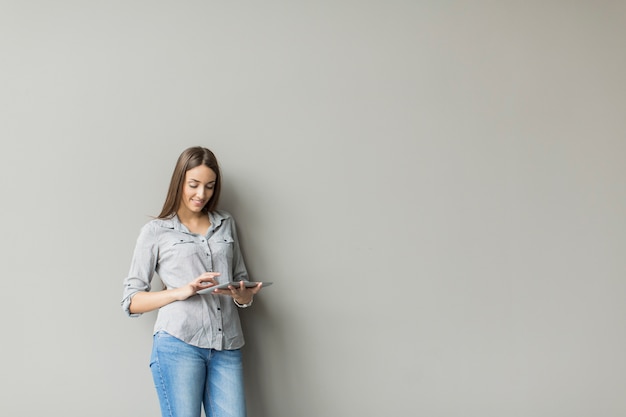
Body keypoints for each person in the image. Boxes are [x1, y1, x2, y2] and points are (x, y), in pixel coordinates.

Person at [121, 146, 263, 417]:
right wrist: (181, 291)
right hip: (178, 344)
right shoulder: (156, 231)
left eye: (209, 186)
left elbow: (239, 279)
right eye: (194, 185)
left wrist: (244, 297)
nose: (201, 194)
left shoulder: (226, 222)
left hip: (227, 346)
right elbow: (131, 301)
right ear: (179, 183)